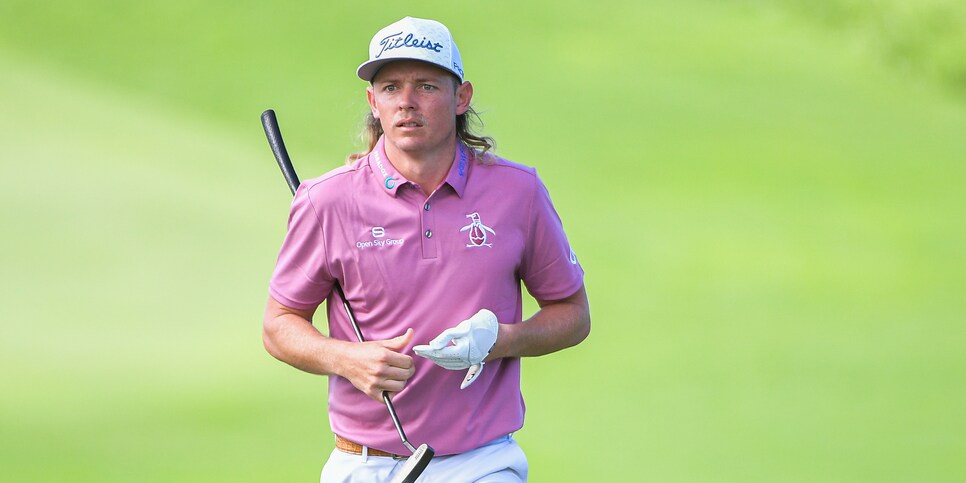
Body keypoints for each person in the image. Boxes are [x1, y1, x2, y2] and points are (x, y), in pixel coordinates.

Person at [263, 16, 590, 482]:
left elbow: (573, 313)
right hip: (362, 463)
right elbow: (279, 325)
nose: (407, 103)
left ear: (461, 97)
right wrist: (346, 359)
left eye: (426, 86)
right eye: (391, 88)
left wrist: (501, 341)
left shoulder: (518, 192)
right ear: (373, 102)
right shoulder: (326, 201)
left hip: (481, 463)